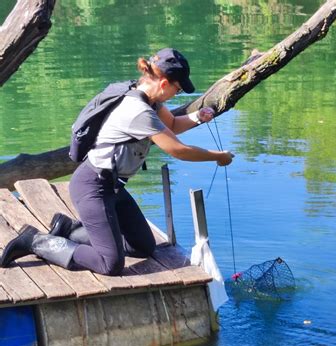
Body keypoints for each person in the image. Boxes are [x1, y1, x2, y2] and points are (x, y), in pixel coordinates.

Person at [0, 48, 234, 275]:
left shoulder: (147, 98)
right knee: (109, 264)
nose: (178, 94)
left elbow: (171, 125)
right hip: (92, 186)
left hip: (113, 187)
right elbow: (178, 150)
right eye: (178, 89)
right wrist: (218, 156)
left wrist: (197, 117)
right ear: (164, 84)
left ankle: (69, 229)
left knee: (143, 246)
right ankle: (34, 241)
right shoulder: (138, 111)